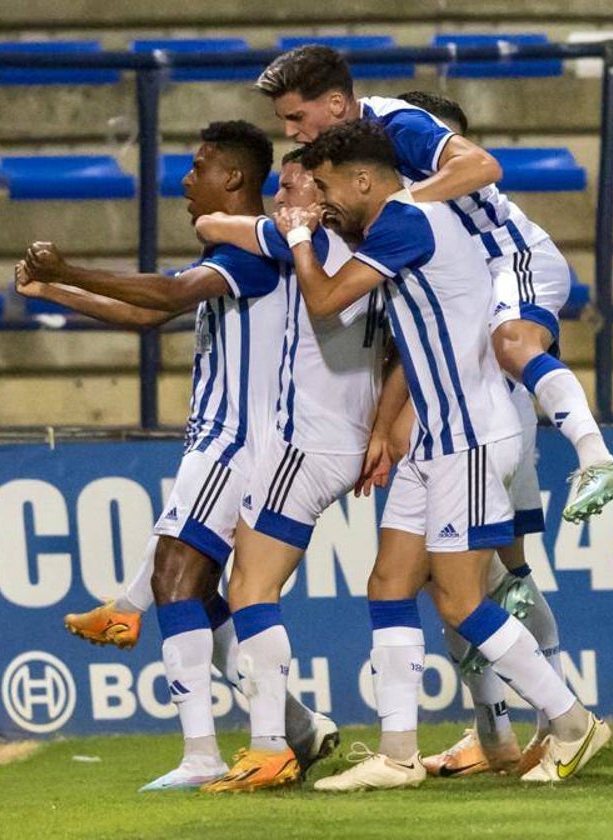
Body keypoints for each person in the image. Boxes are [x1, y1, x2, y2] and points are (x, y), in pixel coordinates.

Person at [273, 120, 610, 790]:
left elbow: (325, 301)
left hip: (473, 438)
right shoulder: (400, 222)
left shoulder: (406, 219)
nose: (325, 199)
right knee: (390, 585)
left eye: (331, 185)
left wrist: (296, 235)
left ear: (365, 179)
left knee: (460, 601)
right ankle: (398, 754)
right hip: (436, 438)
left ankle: (573, 723)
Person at [16, 120, 335, 791]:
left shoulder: (249, 254)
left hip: (234, 445)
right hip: (228, 442)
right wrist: (53, 292)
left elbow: (165, 297)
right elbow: (145, 315)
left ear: (235, 179)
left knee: (174, 580)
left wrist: (67, 267)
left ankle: (203, 753)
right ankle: (296, 727)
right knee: (194, 588)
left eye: (199, 168)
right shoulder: (238, 250)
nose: (186, 182)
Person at [255, 45, 613, 524]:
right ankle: (506, 576)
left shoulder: (396, 126)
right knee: (432, 432)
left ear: (334, 104)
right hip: (462, 286)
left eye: (296, 116)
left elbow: (482, 166)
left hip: (506, 256)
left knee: (512, 344)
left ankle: (596, 456)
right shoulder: (343, 156)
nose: (290, 131)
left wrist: (402, 204)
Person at [188, 147, 385, 791]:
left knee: (249, 588)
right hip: (347, 436)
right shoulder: (376, 250)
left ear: (325, 194)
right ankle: (279, 739)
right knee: (252, 585)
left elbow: (222, 226)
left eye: (295, 184)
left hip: (305, 440)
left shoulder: (310, 238)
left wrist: (219, 224)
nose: (282, 196)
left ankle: (272, 746)